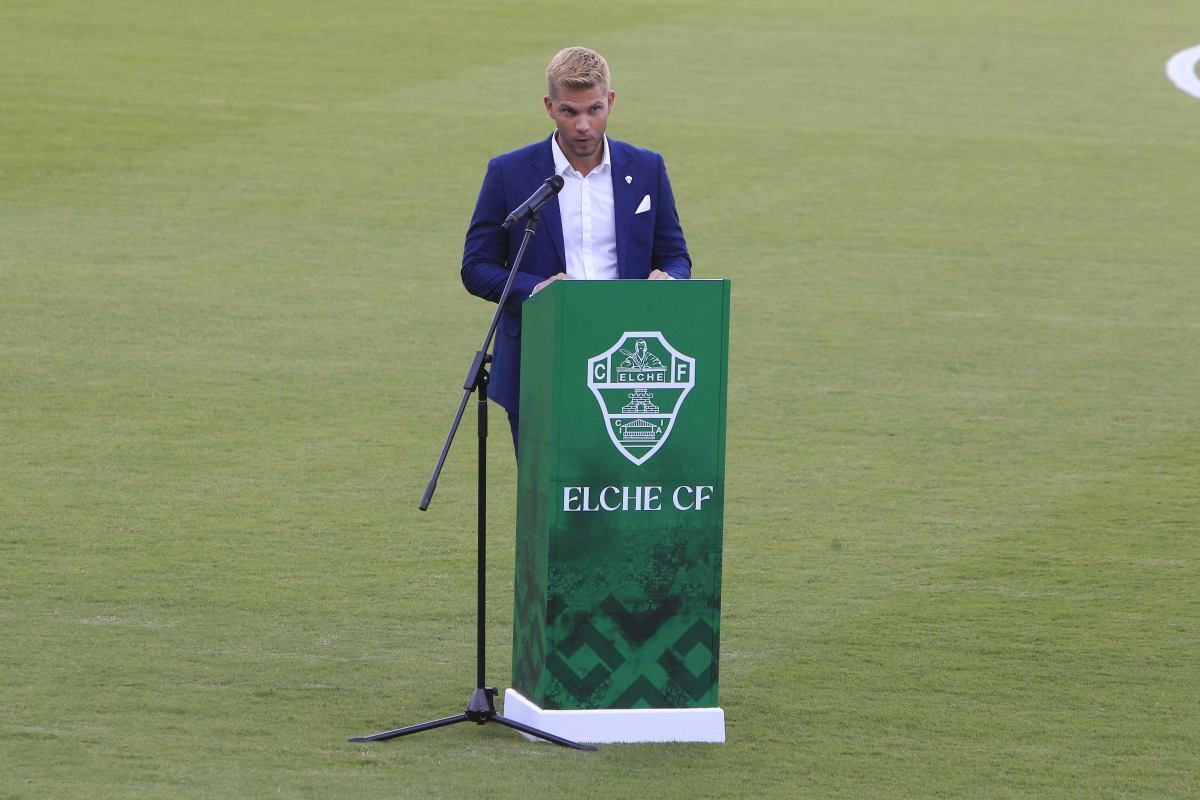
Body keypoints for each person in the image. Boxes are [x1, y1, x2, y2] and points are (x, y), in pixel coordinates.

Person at [461, 46, 692, 452]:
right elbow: (477, 266)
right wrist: (535, 291)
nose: (584, 125)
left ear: (612, 102)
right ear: (549, 107)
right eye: (570, 112)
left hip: (627, 359)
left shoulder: (647, 168)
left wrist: (670, 277)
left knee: (618, 494)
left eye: (595, 109)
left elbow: (675, 254)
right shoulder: (509, 172)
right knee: (548, 500)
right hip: (541, 355)